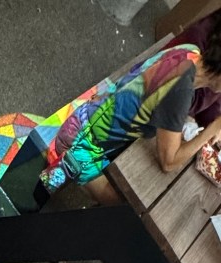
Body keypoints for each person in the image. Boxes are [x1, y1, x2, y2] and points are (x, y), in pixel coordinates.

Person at [41, 41, 221, 206]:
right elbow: (169, 163)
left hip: (87, 117)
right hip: (82, 146)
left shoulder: (190, 51)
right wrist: (213, 128)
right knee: (131, 209)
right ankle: (42, 190)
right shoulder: (181, 90)